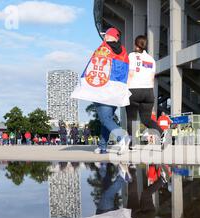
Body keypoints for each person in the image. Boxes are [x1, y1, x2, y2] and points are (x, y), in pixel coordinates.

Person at [71, 27, 131, 155]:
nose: (104, 37)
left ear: (108, 36)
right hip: (115, 91)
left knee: (105, 119)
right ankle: (102, 146)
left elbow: (93, 68)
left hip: (102, 90)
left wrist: (84, 83)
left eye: (106, 35)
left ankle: (122, 137)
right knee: (107, 118)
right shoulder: (124, 52)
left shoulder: (103, 49)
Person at [126, 35, 170, 150]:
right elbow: (151, 78)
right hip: (148, 92)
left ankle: (133, 143)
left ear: (136, 45)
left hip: (134, 89)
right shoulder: (151, 59)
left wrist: (126, 87)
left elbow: (130, 74)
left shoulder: (131, 56)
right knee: (146, 119)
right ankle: (162, 133)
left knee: (131, 118)